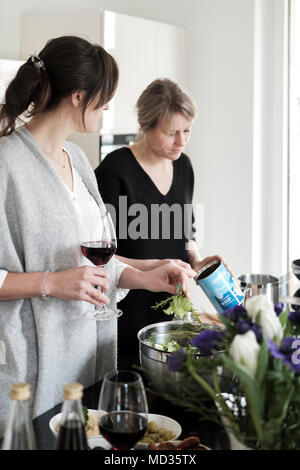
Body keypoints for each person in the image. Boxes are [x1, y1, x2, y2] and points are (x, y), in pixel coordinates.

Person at [0, 37, 196, 436]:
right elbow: (59, 277)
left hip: (88, 357)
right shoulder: (7, 163)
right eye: (105, 99)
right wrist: (50, 283)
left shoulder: (77, 160)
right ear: (78, 97)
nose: (109, 109)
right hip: (32, 365)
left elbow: (93, 261)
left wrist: (144, 276)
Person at [95, 78, 226, 369]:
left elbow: (185, 233)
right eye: (171, 133)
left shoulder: (184, 166)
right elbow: (96, 254)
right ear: (146, 126)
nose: (181, 141)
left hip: (172, 318)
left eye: (187, 131)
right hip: (125, 318)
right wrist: (151, 266)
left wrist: (197, 261)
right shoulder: (114, 170)